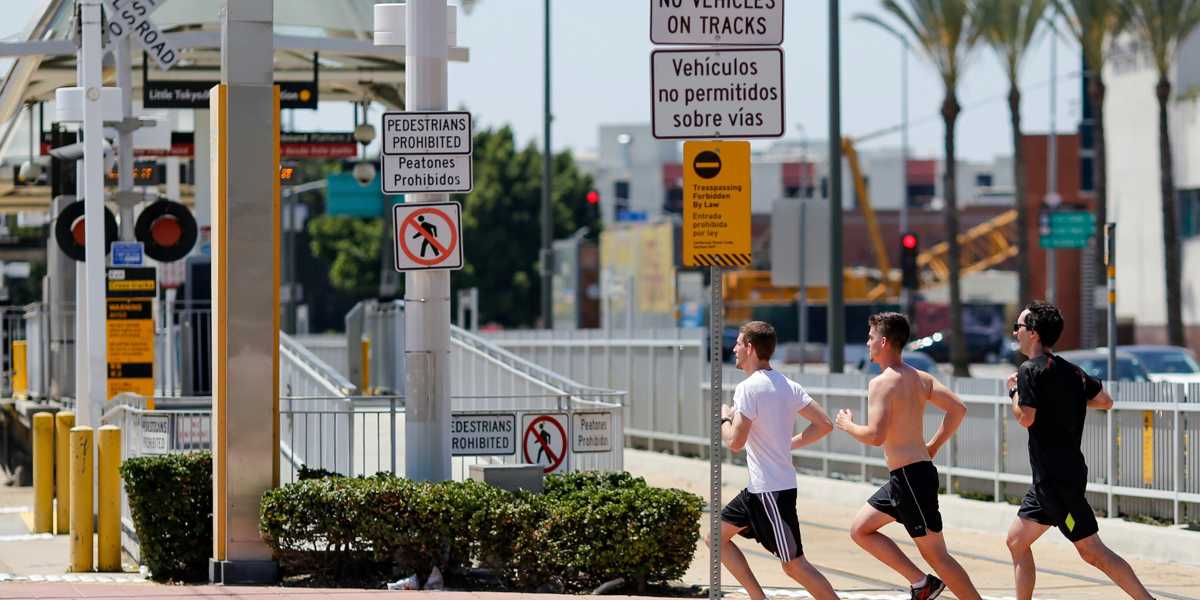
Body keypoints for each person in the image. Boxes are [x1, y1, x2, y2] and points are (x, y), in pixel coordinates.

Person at [1005, 301, 1154, 600]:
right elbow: (1105, 400)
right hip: (1051, 479)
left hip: (1057, 482)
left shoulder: (1029, 371)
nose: (1015, 332)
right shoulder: (1071, 371)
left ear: (1033, 333)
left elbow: (1025, 417)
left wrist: (1013, 392)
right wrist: (1062, 401)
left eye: (1019, 327)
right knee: (1016, 541)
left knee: (1091, 550)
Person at [835, 312, 981, 600]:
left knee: (939, 557)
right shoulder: (920, 378)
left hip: (911, 479)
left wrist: (847, 425)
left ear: (885, 342)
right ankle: (920, 583)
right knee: (861, 529)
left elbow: (876, 436)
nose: (867, 343)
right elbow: (958, 409)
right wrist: (934, 445)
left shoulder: (881, 383)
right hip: (905, 477)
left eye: (871, 337)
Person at [708, 321, 838, 600]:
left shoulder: (747, 389)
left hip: (771, 491)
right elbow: (825, 424)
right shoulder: (787, 384)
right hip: (760, 489)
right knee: (715, 537)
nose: (734, 348)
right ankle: (759, 598)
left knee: (794, 565)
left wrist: (723, 417)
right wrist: (790, 444)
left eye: (739, 343)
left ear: (751, 348)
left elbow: (734, 442)